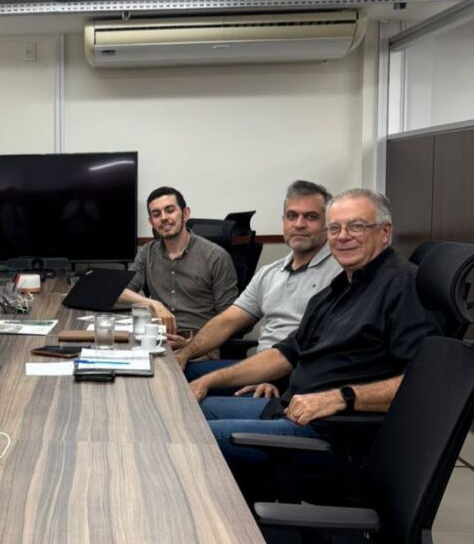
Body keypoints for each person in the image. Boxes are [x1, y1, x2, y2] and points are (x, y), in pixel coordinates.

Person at [191, 188, 440, 499]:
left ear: (385, 232)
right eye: (335, 228)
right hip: (290, 409)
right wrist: (209, 380)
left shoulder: (403, 286)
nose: (343, 236)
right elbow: (286, 353)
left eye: (356, 226)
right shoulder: (339, 287)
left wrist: (342, 397)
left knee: (189, 437)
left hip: (332, 434)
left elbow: (425, 385)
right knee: (189, 411)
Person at [177, 180, 340, 381]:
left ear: (328, 223)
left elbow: (324, 348)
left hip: (296, 378)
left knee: (197, 393)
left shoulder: (340, 273)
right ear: (283, 221)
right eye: (292, 216)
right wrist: (184, 354)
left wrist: (274, 381)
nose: (299, 224)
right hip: (258, 368)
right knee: (174, 373)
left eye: (311, 217)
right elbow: (227, 322)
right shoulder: (270, 273)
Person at [118, 186, 238, 341]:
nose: (163, 218)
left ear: (185, 214)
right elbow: (118, 292)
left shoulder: (216, 256)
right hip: (158, 339)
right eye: (156, 214)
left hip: (200, 343)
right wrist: (153, 304)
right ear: (151, 222)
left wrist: (190, 344)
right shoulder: (147, 252)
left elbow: (229, 320)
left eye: (170, 210)